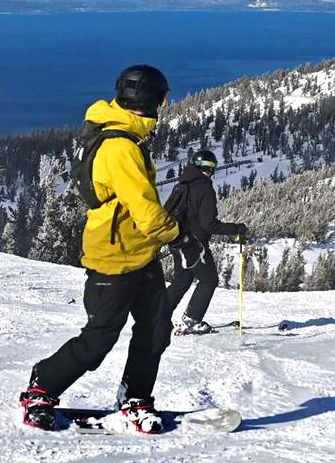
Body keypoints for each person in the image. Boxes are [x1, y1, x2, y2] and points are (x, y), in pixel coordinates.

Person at [19, 65, 180, 434]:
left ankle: (136, 398)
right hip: (113, 255)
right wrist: (177, 235)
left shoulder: (124, 137)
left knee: (155, 331)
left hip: (140, 252)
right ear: (156, 99)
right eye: (164, 97)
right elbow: (142, 206)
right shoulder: (121, 146)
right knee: (101, 335)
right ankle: (42, 387)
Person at [163, 150, 247, 335]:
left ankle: (157, 318)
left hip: (177, 241)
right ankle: (191, 321)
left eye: (212, 168)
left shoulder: (181, 186)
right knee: (209, 280)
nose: (210, 172)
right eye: (209, 168)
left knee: (182, 280)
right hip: (194, 245)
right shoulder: (204, 188)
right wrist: (236, 229)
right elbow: (209, 224)